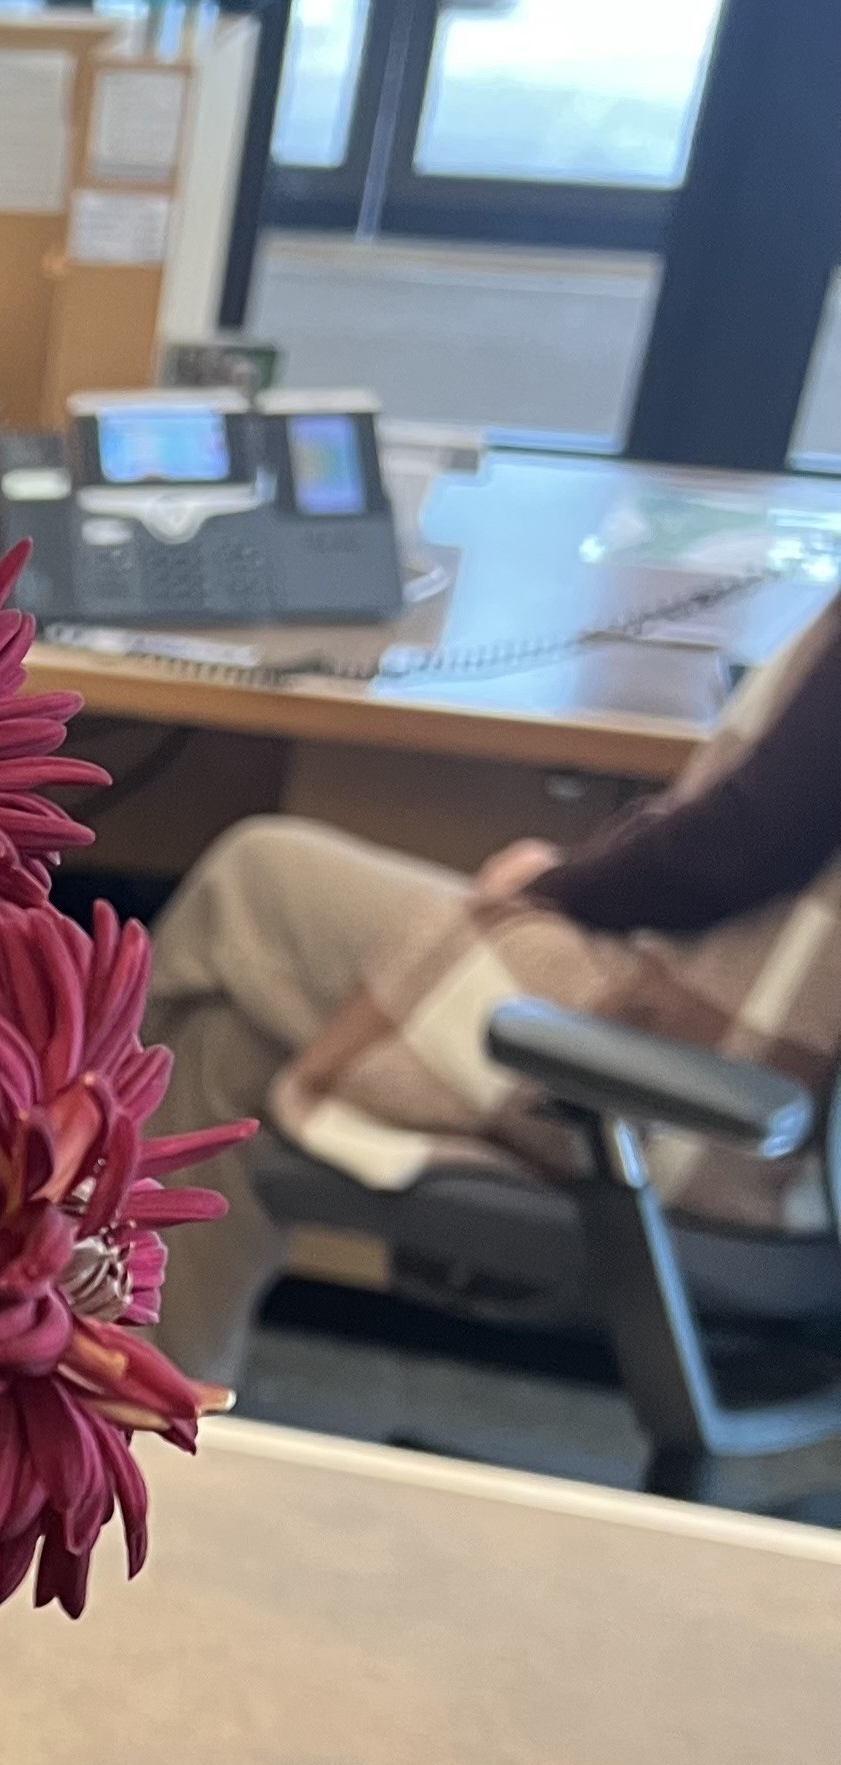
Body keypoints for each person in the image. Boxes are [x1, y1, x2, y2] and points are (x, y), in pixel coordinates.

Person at [143, 593, 841, 1385]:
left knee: (256, 876)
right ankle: (152, 1417)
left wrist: (554, 882)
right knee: (223, 1050)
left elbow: (736, 848)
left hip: (714, 1106)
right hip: (780, 1112)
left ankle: (45, 1221)